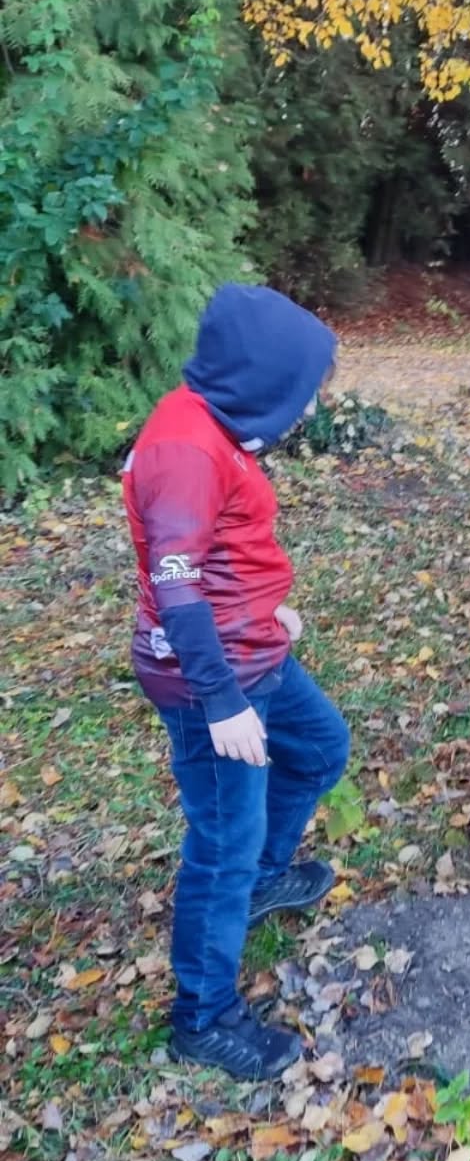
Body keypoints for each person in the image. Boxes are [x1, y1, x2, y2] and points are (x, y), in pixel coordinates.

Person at [122, 284, 350, 1080]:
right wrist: (221, 703)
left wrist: (267, 611)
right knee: (221, 844)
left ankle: (262, 878)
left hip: (248, 649)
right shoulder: (182, 450)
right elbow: (177, 584)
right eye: (303, 390)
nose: (307, 407)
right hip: (205, 678)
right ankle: (203, 1018)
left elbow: (223, 556)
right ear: (261, 377)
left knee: (321, 747)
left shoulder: (216, 425)